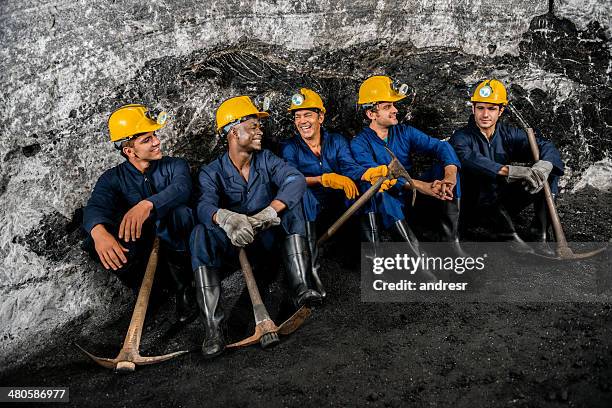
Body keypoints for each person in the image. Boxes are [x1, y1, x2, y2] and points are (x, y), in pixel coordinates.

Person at [190, 95, 322, 358]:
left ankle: (301, 288)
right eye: (253, 126)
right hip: (232, 247)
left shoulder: (267, 160)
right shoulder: (211, 171)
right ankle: (213, 329)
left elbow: (294, 179)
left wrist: (269, 212)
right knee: (199, 234)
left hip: (267, 241)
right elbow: (204, 205)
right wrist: (226, 219)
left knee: (293, 203)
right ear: (233, 132)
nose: (260, 131)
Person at [82, 104, 196, 323]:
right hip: (144, 251)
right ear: (129, 151)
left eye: (154, 135)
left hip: (179, 248)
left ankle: (186, 285)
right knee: (93, 240)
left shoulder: (175, 165)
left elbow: (181, 188)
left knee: (181, 213)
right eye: (147, 139)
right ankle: (151, 289)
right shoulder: (112, 178)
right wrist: (98, 233)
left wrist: (146, 205)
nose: (157, 142)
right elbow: (95, 207)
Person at [280, 88, 387, 283]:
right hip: (311, 211)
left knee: (365, 189)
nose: (302, 121)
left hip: (339, 205)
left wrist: (368, 173)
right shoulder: (290, 147)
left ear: (320, 117)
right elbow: (289, 180)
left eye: (308, 115)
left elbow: (349, 167)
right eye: (297, 116)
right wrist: (323, 179)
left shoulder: (336, 140)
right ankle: (309, 275)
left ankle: (375, 261)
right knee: (302, 197)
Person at [350, 75, 466, 257]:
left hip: (414, 199)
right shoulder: (359, 144)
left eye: (394, 105)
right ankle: (416, 256)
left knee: (448, 169)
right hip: (391, 206)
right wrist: (422, 186)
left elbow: (440, 146)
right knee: (379, 191)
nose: (395, 110)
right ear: (371, 114)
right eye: (387, 107)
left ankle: (450, 243)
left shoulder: (404, 131)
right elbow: (379, 178)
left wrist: (449, 175)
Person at [448, 79, 564, 254]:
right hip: (476, 205)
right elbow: (470, 160)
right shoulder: (461, 137)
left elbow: (546, 146)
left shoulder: (508, 134)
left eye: (492, 108)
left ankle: (539, 234)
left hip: (502, 202)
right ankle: (508, 235)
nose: (485, 114)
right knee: (481, 177)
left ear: (501, 111)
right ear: (473, 109)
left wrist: (544, 166)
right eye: (480, 108)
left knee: (548, 174)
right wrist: (514, 172)